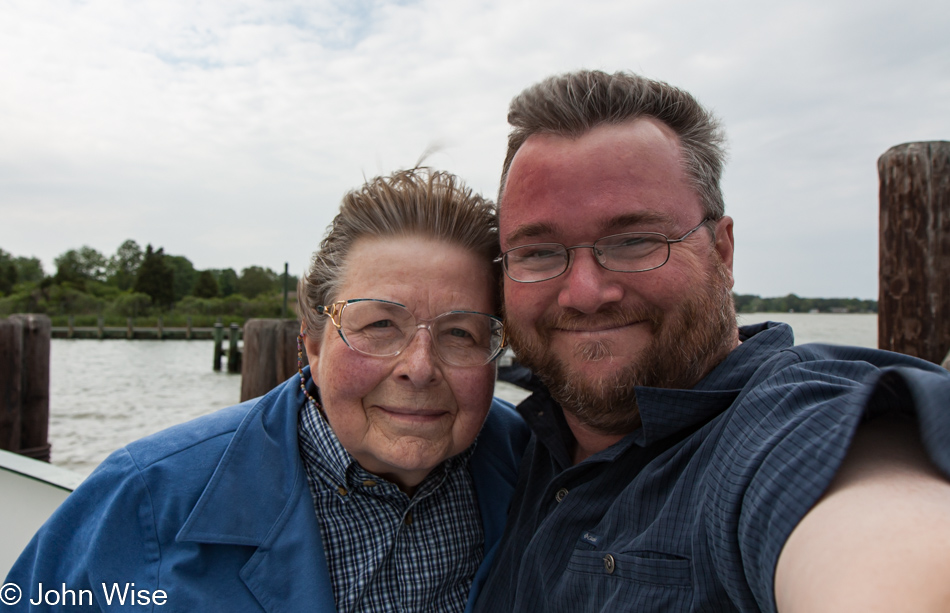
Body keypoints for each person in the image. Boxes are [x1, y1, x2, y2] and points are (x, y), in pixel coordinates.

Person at [474, 70, 950, 613]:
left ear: (722, 251)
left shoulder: (785, 427)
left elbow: (879, 544)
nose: (584, 293)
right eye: (537, 252)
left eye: (634, 241)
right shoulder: (504, 450)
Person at [6, 168, 529, 612]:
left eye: (460, 333)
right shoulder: (146, 498)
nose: (420, 368)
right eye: (378, 326)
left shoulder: (532, 463)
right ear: (314, 347)